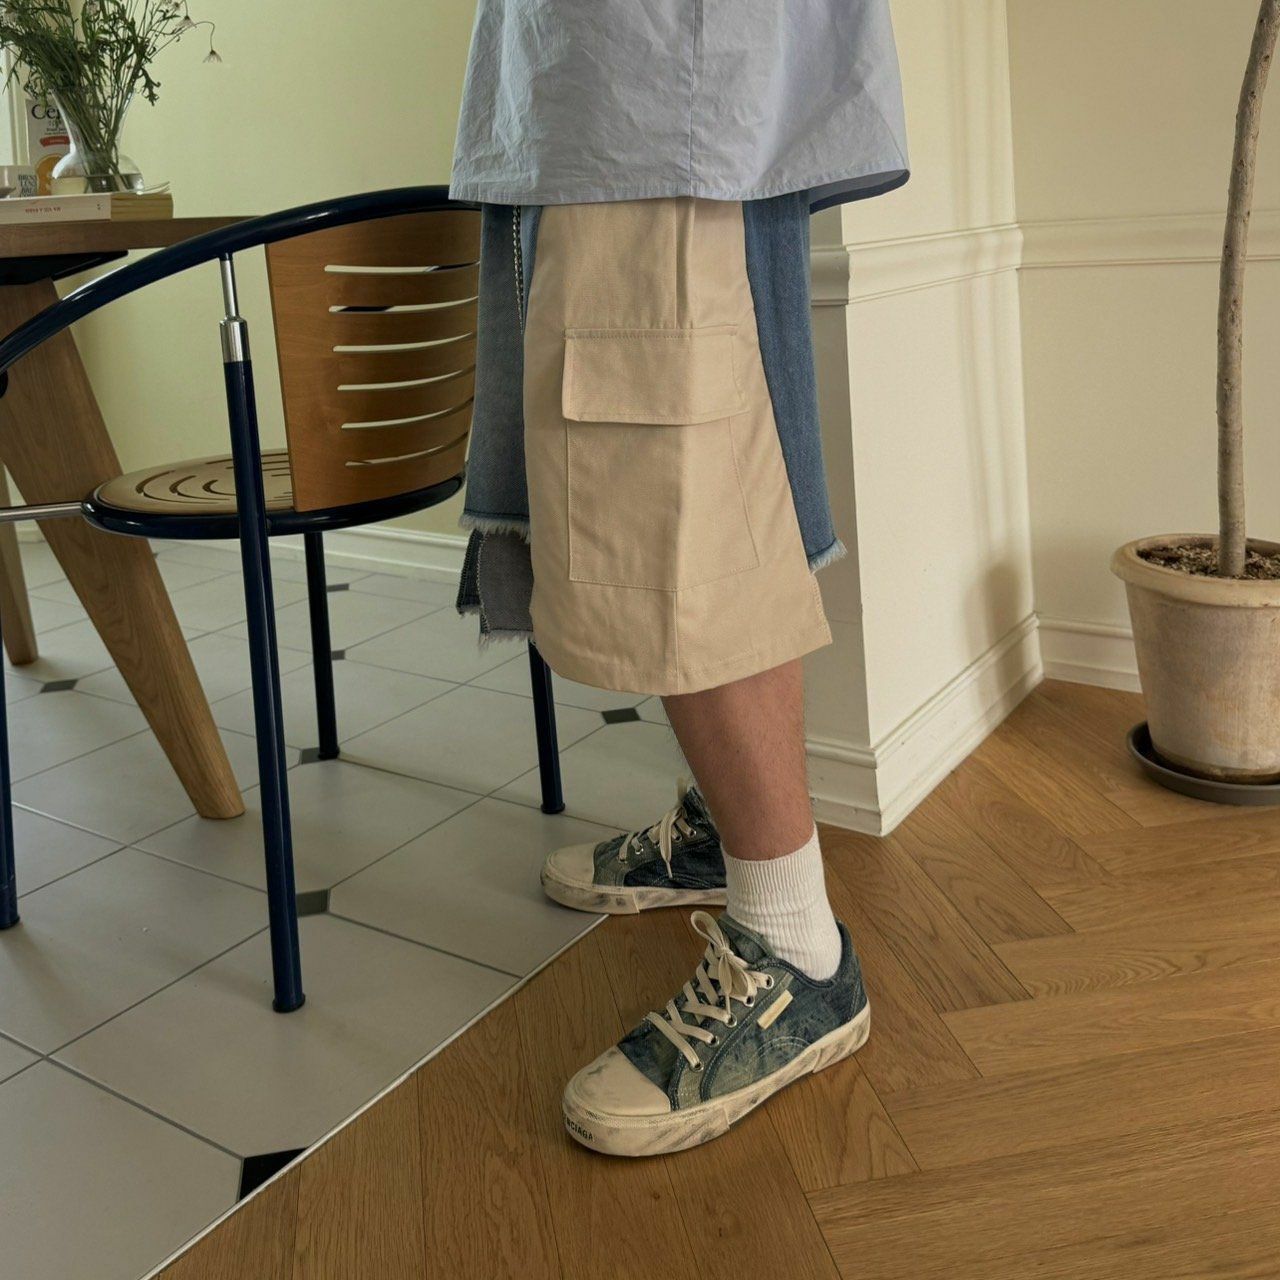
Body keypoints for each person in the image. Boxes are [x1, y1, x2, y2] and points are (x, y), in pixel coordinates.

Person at [450, 0, 909, 1157]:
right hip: (601, 100)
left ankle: (794, 948)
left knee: (683, 524)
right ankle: (720, 828)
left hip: (652, 93)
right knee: (659, 499)